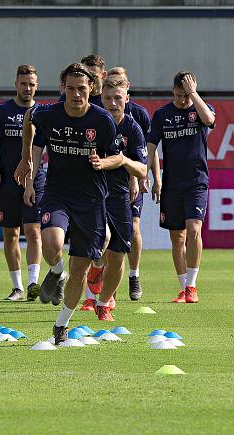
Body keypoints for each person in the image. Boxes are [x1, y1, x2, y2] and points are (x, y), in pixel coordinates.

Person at [16, 63, 123, 344]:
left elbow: (116, 157)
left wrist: (104, 161)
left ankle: (61, 325)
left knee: (81, 269)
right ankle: (55, 271)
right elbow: (29, 118)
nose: (77, 95)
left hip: (91, 200)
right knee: (50, 243)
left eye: (82, 89)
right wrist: (26, 159)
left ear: (91, 89)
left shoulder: (102, 120)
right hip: (58, 193)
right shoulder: (49, 113)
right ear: (63, 88)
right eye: (71, 89)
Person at [147, 71, 215, 303]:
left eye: (185, 96)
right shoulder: (162, 114)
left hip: (197, 181)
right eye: (178, 96)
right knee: (177, 237)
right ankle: (183, 287)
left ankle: (192, 286)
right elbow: (151, 146)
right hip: (172, 184)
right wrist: (149, 176)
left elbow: (209, 121)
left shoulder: (201, 108)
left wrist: (193, 94)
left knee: (194, 229)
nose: (182, 100)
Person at [0, 64, 45, 301]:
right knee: (10, 233)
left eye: (31, 84)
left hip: (34, 179)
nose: (27, 88)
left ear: (36, 86)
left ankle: (33, 283)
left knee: (33, 230)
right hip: (7, 181)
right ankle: (17, 286)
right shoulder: (2, 111)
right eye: (23, 83)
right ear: (16, 84)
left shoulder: (42, 113)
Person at [92, 75, 148, 320]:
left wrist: (124, 161)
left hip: (120, 195)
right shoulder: (92, 123)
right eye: (107, 98)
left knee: (118, 253)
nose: (112, 103)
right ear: (101, 99)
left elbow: (143, 169)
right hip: (92, 192)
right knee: (101, 236)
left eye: (117, 98)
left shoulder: (133, 128)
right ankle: (95, 268)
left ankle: (104, 303)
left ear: (127, 98)